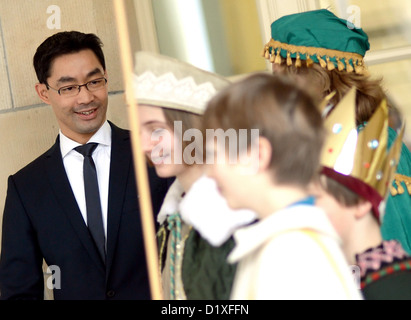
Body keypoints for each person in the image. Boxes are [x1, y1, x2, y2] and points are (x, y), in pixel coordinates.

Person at [0, 31, 171, 300]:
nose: (86, 98)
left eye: (94, 81)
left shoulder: (153, 153)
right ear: (44, 92)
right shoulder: (26, 188)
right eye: (68, 88)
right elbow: (19, 291)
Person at [261, 9, 411, 253]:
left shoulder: (372, 144)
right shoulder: (306, 141)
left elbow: (396, 237)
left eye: (281, 79)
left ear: (314, 80)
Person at [202, 72, 362, 300]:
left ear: (257, 155)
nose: (209, 172)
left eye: (214, 154)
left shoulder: (288, 254)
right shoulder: (292, 244)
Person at [133, 51, 256, 300]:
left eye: (156, 130)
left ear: (194, 129)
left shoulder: (234, 219)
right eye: (139, 131)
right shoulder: (171, 221)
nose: (145, 145)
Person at [311, 87, 411, 300]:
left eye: (318, 197)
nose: (309, 209)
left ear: (360, 203)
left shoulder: (392, 288)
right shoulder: (339, 283)